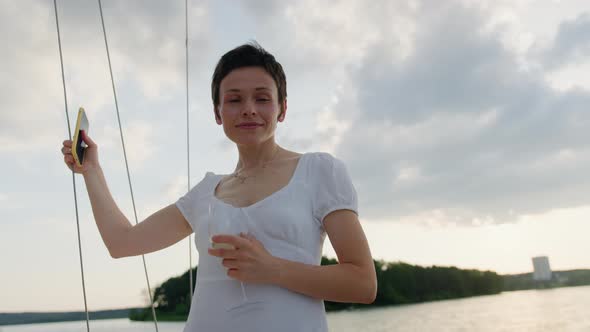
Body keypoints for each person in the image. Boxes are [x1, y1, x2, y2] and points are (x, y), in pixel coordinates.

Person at [61, 42, 376, 332]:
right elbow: (122, 242)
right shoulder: (205, 192)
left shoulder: (320, 171)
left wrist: (272, 268)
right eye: (234, 99)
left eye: (262, 98)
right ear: (217, 113)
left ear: (282, 109)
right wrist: (92, 171)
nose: (249, 108)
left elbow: (363, 283)